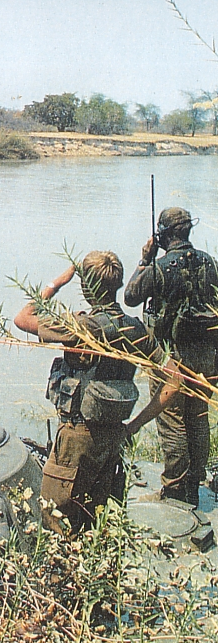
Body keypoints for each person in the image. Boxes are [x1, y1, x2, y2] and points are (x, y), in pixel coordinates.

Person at [14, 251, 179, 535]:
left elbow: (22, 317)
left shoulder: (81, 328)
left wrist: (58, 282)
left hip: (75, 441)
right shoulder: (135, 329)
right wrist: (134, 427)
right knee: (97, 524)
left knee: (57, 524)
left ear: (86, 287)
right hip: (112, 439)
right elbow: (174, 380)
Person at [124, 207, 218, 506]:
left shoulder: (160, 267)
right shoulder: (210, 263)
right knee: (198, 418)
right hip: (207, 355)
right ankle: (194, 483)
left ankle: (175, 490)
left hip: (172, 358)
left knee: (172, 420)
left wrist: (145, 259)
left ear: (163, 234)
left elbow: (130, 296)